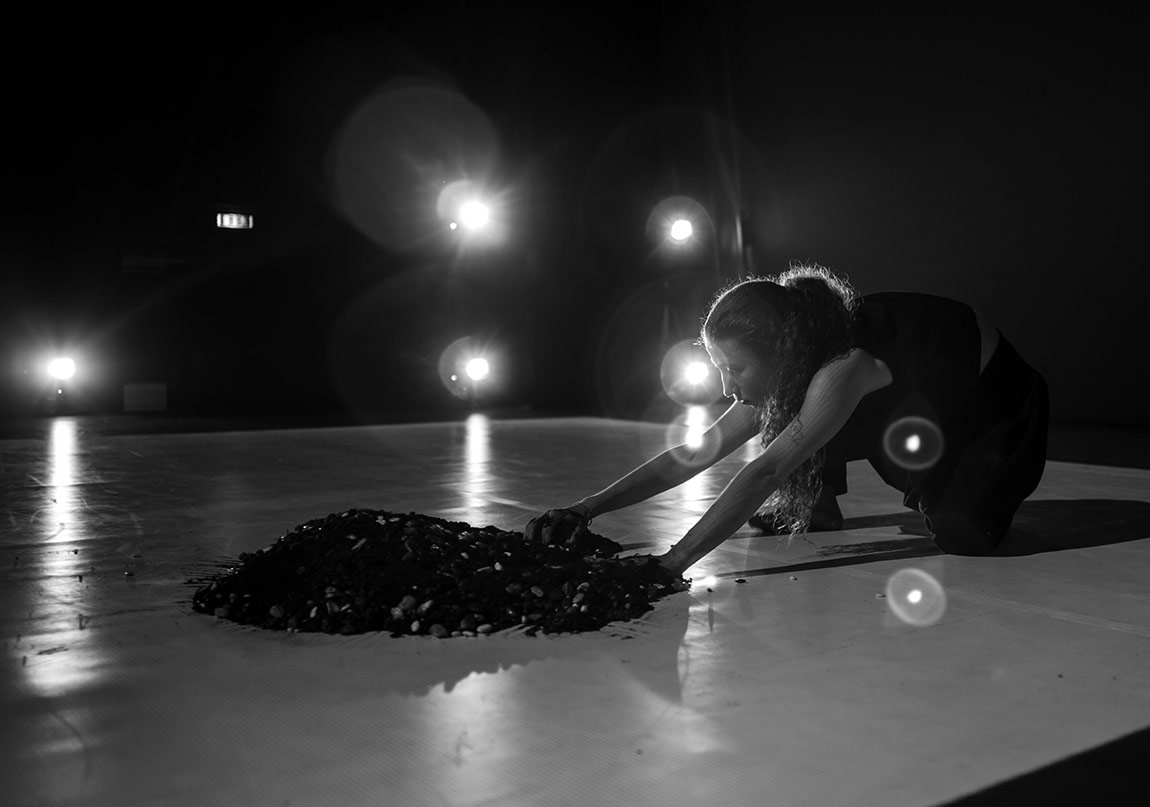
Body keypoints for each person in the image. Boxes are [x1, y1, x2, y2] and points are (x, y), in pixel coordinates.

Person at [526, 262, 1049, 577]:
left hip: (991, 401)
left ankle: (981, 483)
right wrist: (585, 508)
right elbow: (694, 454)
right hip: (912, 401)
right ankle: (819, 507)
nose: (725, 388)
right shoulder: (798, 357)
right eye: (719, 368)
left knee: (963, 533)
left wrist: (672, 563)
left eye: (734, 369)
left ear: (780, 352)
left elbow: (766, 471)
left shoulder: (843, 367)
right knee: (799, 417)